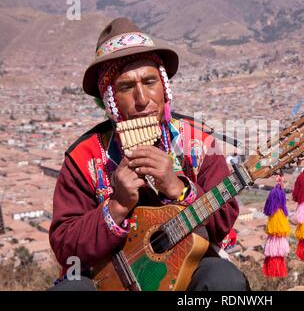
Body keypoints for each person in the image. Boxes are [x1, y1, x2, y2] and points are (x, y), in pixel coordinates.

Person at [48, 17, 249, 291]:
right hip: (110, 277)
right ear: (110, 100)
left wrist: (177, 188)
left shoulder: (199, 142)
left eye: (150, 81)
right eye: (126, 87)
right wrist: (117, 205)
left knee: (224, 281)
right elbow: (64, 245)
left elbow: (222, 222)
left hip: (186, 265)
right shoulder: (83, 158)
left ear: (164, 89)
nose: (142, 99)